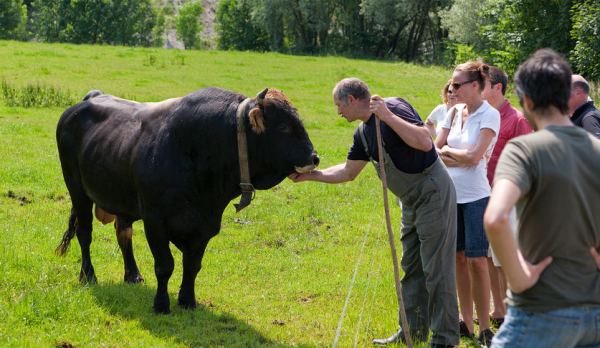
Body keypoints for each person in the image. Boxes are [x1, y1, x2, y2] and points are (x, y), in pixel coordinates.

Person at [289, 78, 459, 348]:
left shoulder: (394, 107)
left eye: (338, 105)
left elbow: (425, 143)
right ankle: (411, 332)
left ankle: (445, 341)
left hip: (433, 194)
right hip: (410, 202)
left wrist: (388, 117)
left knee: (436, 270)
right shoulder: (362, 133)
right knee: (411, 269)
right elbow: (348, 172)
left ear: (352, 100)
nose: (338, 112)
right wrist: (308, 176)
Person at [484, 49, 600, 348]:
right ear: (566, 95)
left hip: (542, 309)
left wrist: (519, 279)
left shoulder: (523, 150)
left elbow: (496, 219)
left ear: (527, 101)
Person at [434, 60, 500, 347]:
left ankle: (484, 326)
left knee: (477, 261)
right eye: (451, 83)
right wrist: (455, 152)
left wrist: (452, 151)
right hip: (450, 195)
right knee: (458, 259)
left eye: (457, 84)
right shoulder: (451, 111)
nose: (452, 88)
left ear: (475, 86)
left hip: (476, 197)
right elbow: (436, 151)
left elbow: (476, 158)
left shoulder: (490, 114)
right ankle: (465, 321)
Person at [481, 66, 533, 327]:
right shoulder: (480, 115)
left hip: (507, 199)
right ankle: (498, 310)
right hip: (482, 195)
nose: (479, 89)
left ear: (497, 87)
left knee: (505, 258)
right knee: (488, 256)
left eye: (484, 84)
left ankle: (515, 314)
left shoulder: (517, 120)